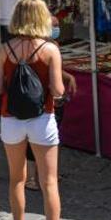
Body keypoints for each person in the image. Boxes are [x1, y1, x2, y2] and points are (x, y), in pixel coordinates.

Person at [0, 0, 64, 220]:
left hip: (11, 119)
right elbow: (58, 90)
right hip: (43, 118)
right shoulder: (50, 49)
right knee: (49, 183)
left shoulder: (4, 49)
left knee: (17, 179)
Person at [25, 16, 77, 191]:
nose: (57, 28)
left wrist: (68, 76)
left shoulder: (30, 44)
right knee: (44, 136)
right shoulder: (49, 47)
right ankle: (34, 176)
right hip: (46, 97)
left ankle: (42, 173)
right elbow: (53, 72)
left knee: (43, 135)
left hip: (37, 97)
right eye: (54, 25)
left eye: (57, 25)